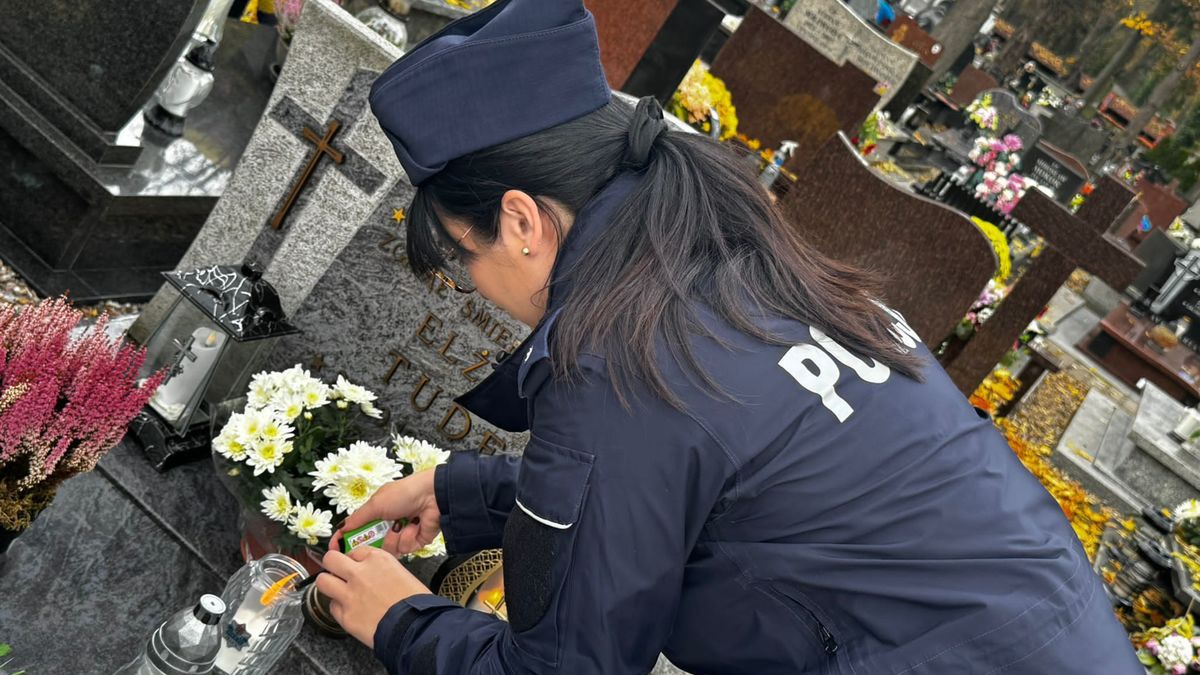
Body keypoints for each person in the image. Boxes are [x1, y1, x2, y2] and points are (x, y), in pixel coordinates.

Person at [315, 0, 1143, 672]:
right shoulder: (734, 256)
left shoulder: (620, 357)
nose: (475, 289)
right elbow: (704, 484)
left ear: (521, 222)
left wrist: (400, 620)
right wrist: (463, 494)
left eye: (463, 260)